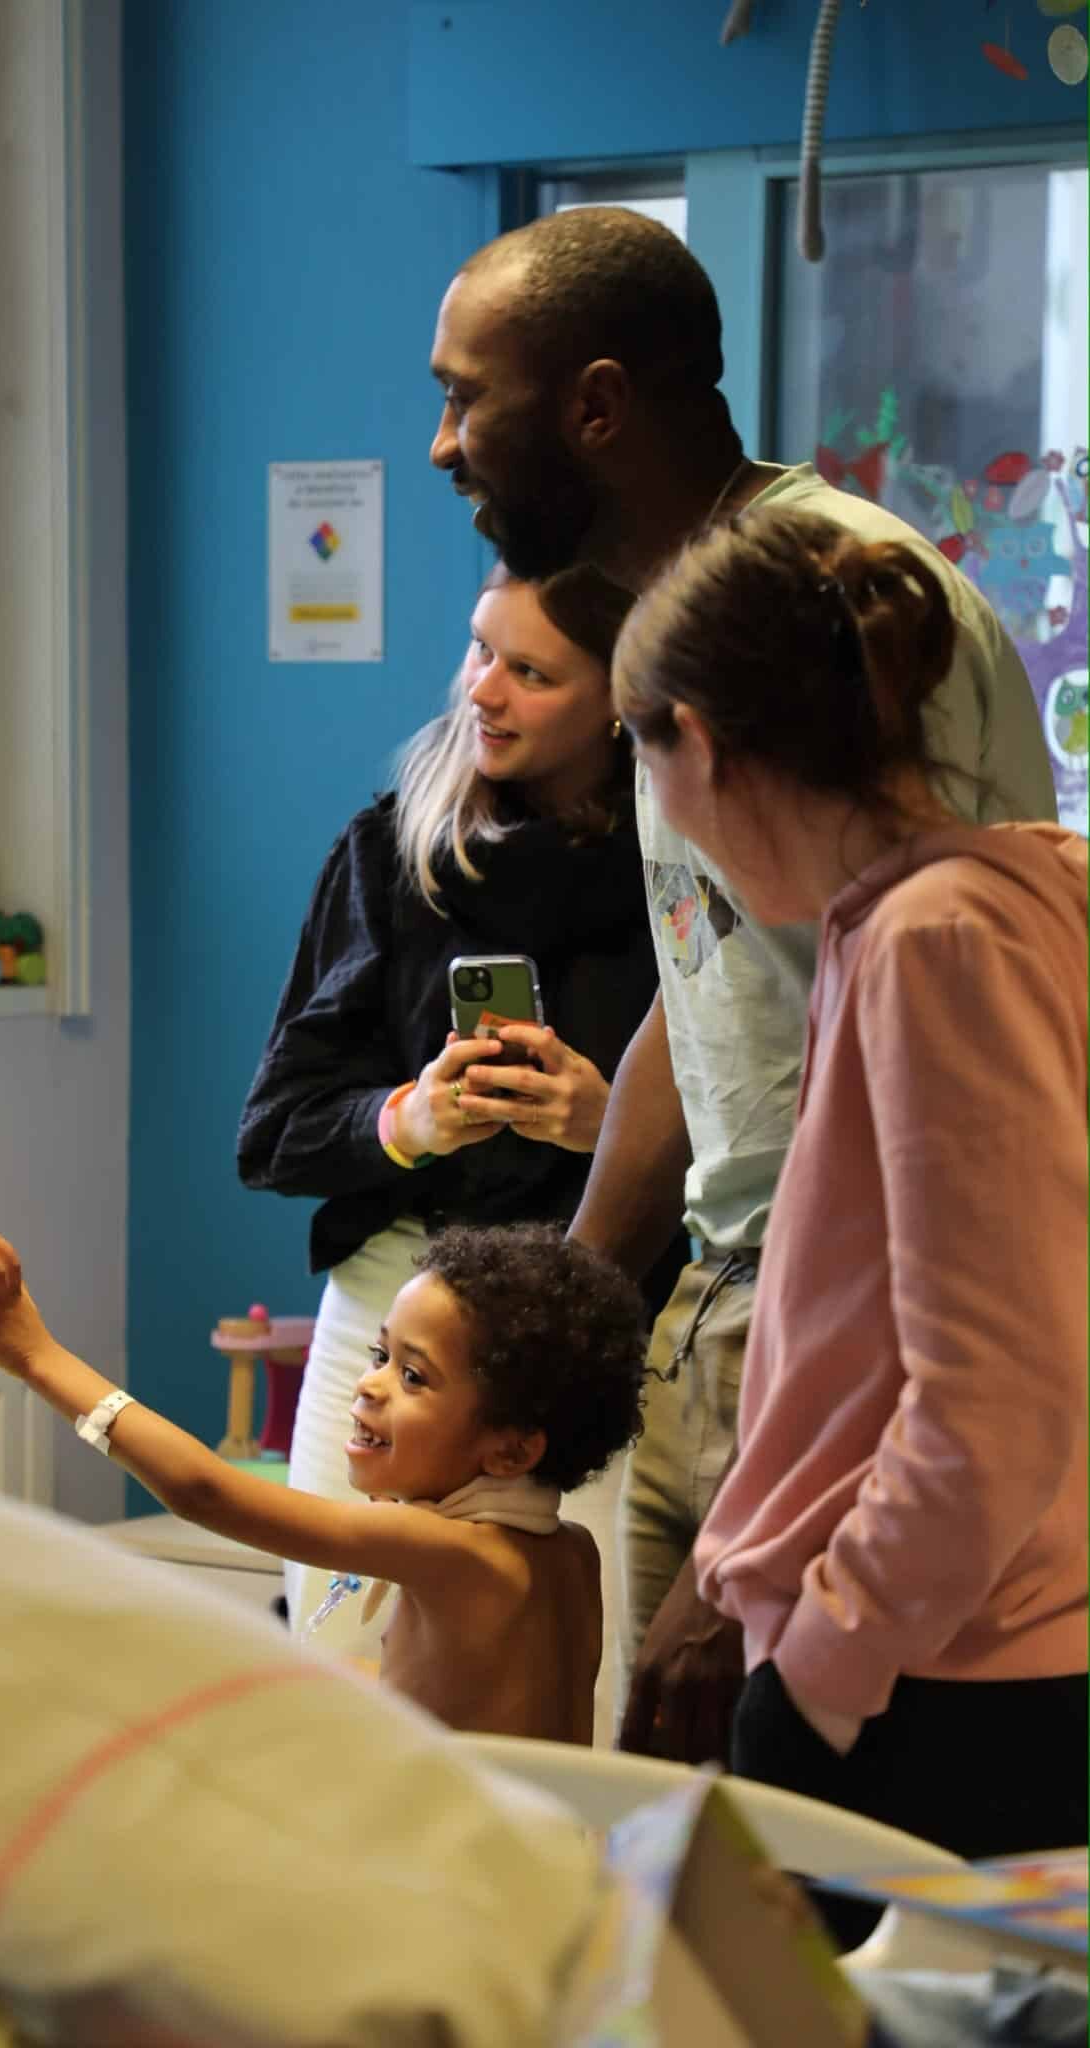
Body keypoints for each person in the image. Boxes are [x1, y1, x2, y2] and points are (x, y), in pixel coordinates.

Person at [427, 203, 1059, 1758]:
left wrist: (798, 1524)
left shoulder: (832, 607)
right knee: (669, 1812)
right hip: (720, 1313)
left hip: (853, 1357)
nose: (442, 445)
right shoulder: (684, 626)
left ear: (594, 405)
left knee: (771, 1825)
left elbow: (954, 1123)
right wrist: (568, 1309)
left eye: (463, 397)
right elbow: (702, 978)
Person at [612, 504, 1086, 1863]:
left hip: (942, 1683)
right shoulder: (971, 903)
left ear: (697, 743)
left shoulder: (940, 939)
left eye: (644, 757)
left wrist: (823, 1666)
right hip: (946, 1657)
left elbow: (994, 1393)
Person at [236, 560, 686, 1704]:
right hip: (393, 1309)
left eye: (530, 670)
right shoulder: (395, 849)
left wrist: (608, 1125)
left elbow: (768, 1143)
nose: (482, 688)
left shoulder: (684, 871)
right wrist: (411, 1118)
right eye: (480, 648)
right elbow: (275, 1130)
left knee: (573, 1687)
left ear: (619, 696)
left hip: (580, 1320)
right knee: (335, 1675)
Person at [0, 1220, 647, 1745]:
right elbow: (466, 1709)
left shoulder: (456, 1552)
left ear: (511, 1450)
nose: (369, 1384)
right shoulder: (570, 1552)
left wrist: (38, 1358)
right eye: (379, 1354)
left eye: (413, 1376)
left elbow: (202, 1491)